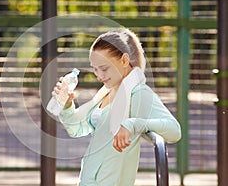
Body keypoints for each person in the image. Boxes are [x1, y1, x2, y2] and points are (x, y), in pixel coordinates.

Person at [52, 28, 181, 186]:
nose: (99, 75)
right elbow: (76, 129)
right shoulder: (105, 93)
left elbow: (174, 131)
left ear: (125, 60)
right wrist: (67, 105)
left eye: (104, 68)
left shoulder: (139, 94)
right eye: (95, 69)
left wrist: (132, 124)